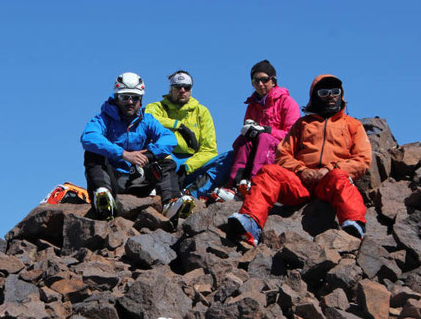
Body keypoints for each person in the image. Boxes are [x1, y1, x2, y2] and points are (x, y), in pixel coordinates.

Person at [227, 74, 372, 245]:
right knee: (269, 172)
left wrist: (329, 169)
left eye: (335, 91)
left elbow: (362, 159)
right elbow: (282, 155)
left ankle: (353, 225)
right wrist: (302, 170)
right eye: (324, 92)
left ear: (341, 94)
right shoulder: (302, 124)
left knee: (340, 177)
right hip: (301, 182)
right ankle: (250, 222)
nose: (331, 96)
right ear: (314, 96)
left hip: (330, 180)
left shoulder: (352, 125)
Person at [80, 72, 195, 220]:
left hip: (139, 180)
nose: (130, 102)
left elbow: (169, 138)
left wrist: (148, 154)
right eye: (125, 97)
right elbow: (88, 137)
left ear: (141, 99)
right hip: (113, 178)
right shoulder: (104, 119)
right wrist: (124, 154)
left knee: (166, 159)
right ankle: (103, 197)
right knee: (93, 153)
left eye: (135, 97)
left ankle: (170, 202)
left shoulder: (147, 119)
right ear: (116, 98)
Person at [146, 70, 232, 198]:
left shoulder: (201, 111)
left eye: (186, 87)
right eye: (177, 87)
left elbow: (209, 150)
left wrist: (187, 167)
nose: (182, 90)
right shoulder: (157, 107)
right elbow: (147, 118)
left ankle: (190, 194)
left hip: (191, 163)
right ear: (171, 89)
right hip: (167, 161)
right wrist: (178, 125)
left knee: (229, 157)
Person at [227, 60, 301, 196]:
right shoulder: (252, 105)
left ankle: (257, 182)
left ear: (273, 81)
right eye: (256, 80)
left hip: (280, 150)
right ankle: (235, 185)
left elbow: (293, 135)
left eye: (264, 79)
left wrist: (267, 130)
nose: (260, 84)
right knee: (244, 139)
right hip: (257, 147)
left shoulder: (287, 102)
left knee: (264, 138)